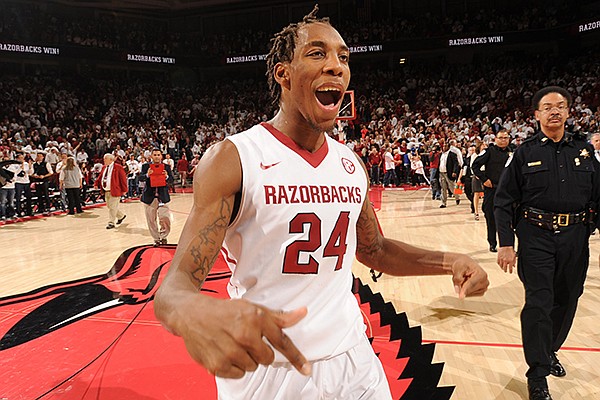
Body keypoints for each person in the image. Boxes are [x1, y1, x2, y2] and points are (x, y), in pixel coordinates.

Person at [154, 7, 489, 400]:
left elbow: (375, 250)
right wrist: (190, 311)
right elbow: (174, 288)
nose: (336, 66)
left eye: (343, 57)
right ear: (284, 74)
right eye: (317, 53)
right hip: (271, 367)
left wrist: (451, 261)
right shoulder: (235, 159)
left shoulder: (350, 164)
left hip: (353, 355)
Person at [495, 86, 600, 400]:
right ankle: (537, 373)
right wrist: (505, 243)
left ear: (568, 112)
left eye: (561, 106)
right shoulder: (526, 152)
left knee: (568, 299)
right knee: (539, 304)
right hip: (536, 237)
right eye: (548, 107)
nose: (555, 111)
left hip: (576, 238)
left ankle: (548, 348)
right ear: (537, 115)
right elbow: (503, 201)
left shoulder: (584, 150)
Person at [472, 129, 512, 252]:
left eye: (505, 138)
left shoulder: (513, 152)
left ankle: (508, 245)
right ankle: (492, 243)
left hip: (508, 191)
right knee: (490, 216)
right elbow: (475, 165)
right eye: (500, 138)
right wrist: (484, 179)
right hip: (492, 190)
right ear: (495, 139)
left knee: (509, 219)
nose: (503, 140)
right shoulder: (489, 151)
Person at [139, 149, 174, 246]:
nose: (157, 156)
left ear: (161, 156)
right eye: (155, 155)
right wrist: (147, 175)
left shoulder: (166, 167)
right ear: (151, 156)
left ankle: (164, 236)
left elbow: (171, 180)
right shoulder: (146, 166)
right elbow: (140, 178)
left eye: (158, 154)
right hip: (149, 197)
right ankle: (156, 239)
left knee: (165, 218)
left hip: (163, 196)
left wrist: (167, 176)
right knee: (151, 220)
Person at [94, 153, 127, 229]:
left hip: (115, 190)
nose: (104, 160)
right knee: (110, 206)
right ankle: (121, 216)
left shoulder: (118, 167)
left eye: (105, 158)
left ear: (111, 160)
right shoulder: (104, 167)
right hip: (106, 191)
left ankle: (111, 223)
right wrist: (96, 183)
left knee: (112, 207)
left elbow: (123, 179)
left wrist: (124, 189)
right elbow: (100, 177)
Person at [438, 141, 460, 208]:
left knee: (452, 187)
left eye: (445, 146)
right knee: (443, 188)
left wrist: (454, 172)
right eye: (443, 146)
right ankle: (443, 203)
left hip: (449, 173)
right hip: (441, 173)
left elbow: (456, 164)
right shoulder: (441, 154)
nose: (444, 147)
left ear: (448, 147)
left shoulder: (452, 154)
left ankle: (457, 197)